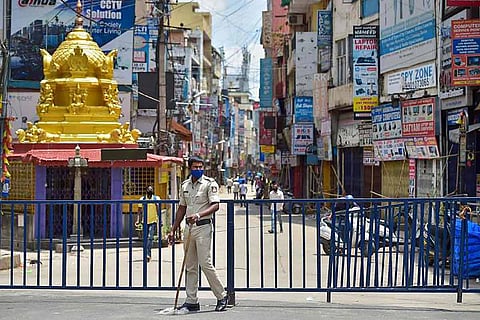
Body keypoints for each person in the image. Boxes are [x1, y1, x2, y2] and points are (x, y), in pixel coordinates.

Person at [167, 156, 228, 312]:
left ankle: (222, 296)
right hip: (189, 229)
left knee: (205, 263)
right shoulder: (185, 185)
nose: (198, 169)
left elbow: (215, 205)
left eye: (201, 167)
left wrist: (199, 215)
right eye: (195, 167)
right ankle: (191, 300)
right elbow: (182, 207)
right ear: (190, 168)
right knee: (190, 265)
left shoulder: (209, 184)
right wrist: (173, 229)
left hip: (203, 227)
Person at [136, 186, 160, 263]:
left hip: (153, 221)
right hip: (144, 221)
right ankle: (147, 254)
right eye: (148, 189)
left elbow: (158, 210)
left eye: (151, 189)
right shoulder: (142, 199)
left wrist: (160, 220)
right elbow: (139, 211)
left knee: (150, 237)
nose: (150, 190)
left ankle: (148, 253)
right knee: (146, 238)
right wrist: (138, 220)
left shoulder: (156, 199)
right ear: (146, 191)